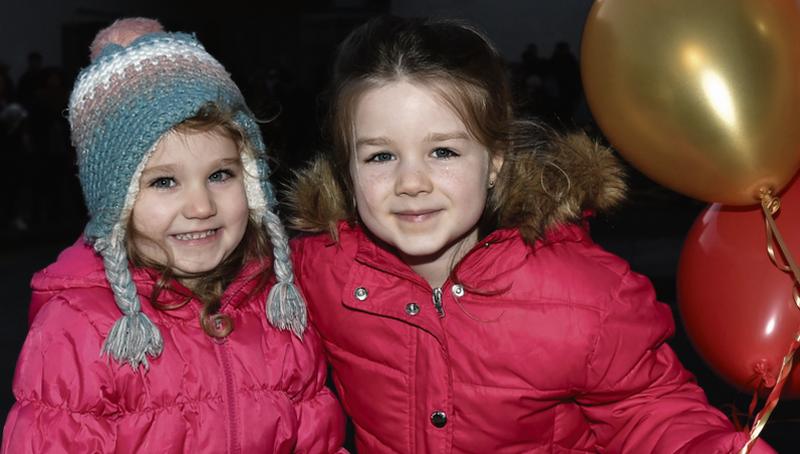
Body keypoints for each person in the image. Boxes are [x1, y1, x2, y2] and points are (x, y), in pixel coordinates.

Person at [287, 16, 774, 453]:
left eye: (444, 152)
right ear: (347, 170)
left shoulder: (587, 296)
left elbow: (652, 411)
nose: (411, 182)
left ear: (494, 161)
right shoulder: (320, 271)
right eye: (380, 156)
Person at [2, 18, 345, 453]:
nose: (200, 207)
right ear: (115, 200)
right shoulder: (78, 329)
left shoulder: (279, 310)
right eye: (164, 182)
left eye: (221, 174)